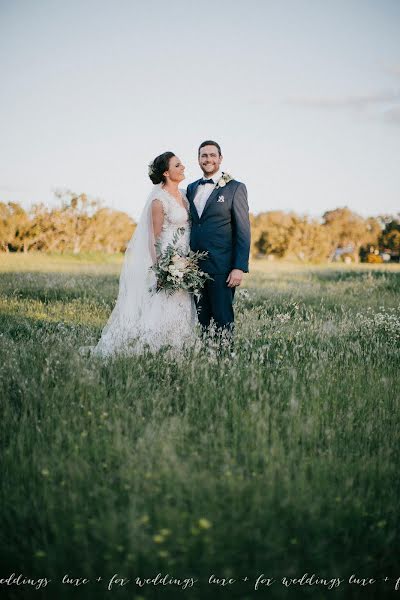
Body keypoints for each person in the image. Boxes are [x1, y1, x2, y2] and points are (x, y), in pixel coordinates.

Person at [91, 151, 197, 357]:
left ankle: (178, 350)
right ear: (166, 173)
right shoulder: (159, 201)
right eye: (177, 165)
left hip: (186, 259)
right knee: (164, 304)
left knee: (183, 302)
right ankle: (153, 349)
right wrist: (162, 269)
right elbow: (154, 238)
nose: (183, 167)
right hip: (169, 260)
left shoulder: (184, 195)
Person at [186, 140, 251, 338]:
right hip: (194, 267)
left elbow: (243, 230)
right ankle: (208, 361)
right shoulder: (190, 188)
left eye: (212, 155)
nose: (208, 159)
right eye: (204, 155)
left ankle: (225, 361)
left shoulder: (235, 188)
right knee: (202, 319)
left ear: (220, 159)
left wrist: (239, 267)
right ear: (198, 159)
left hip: (222, 267)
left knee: (223, 318)